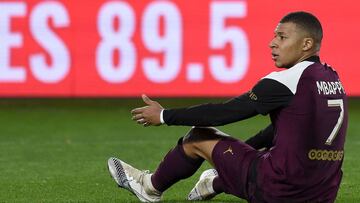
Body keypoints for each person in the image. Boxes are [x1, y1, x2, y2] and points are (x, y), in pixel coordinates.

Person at [107, 11, 348, 202]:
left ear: (306, 44)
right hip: (323, 194)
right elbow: (286, 131)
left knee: (198, 136)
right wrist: (244, 151)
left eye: (282, 37)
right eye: (274, 36)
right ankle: (215, 182)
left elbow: (224, 113)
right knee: (273, 153)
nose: (272, 43)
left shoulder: (286, 80)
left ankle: (149, 188)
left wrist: (163, 115)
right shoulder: (332, 79)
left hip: (279, 192)